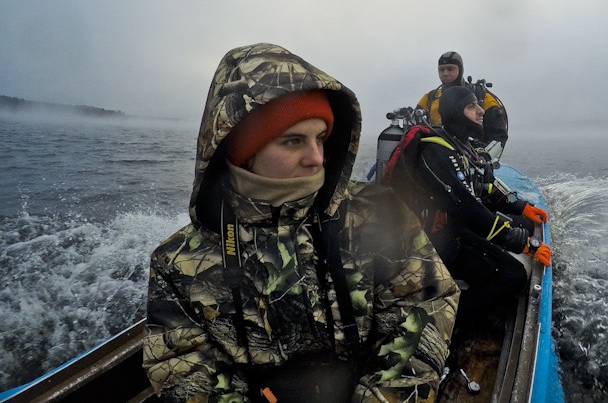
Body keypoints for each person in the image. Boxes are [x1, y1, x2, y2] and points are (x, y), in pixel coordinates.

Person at [142, 43, 460, 403]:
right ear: (242, 150)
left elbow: (426, 305)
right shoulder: (176, 262)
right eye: (293, 141)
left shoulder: (377, 210)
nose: (316, 158)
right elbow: (183, 367)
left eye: (321, 138)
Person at [389, 86, 550, 322]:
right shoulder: (437, 152)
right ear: (454, 112)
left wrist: (521, 207)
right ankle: (443, 322)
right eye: (470, 106)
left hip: (459, 227)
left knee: (525, 224)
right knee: (512, 275)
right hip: (436, 242)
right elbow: (469, 208)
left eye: (478, 104)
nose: (480, 111)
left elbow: (488, 186)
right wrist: (522, 244)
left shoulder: (462, 146)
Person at [415, 51, 509, 156]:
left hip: (475, 160)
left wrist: (484, 158)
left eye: (450, 69)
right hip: (439, 158)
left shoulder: (481, 95)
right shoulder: (430, 98)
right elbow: (417, 130)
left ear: (460, 70)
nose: (445, 73)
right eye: (441, 70)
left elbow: (499, 136)